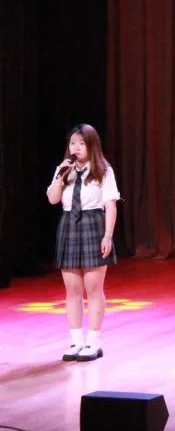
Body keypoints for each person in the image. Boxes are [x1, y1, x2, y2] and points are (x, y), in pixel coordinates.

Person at [45, 124, 120, 362]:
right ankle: (76, 341)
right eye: (72, 143)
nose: (75, 148)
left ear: (91, 145)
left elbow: (110, 205)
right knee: (72, 289)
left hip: (93, 224)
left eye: (81, 143)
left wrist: (107, 235)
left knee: (93, 288)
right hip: (69, 225)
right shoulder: (64, 170)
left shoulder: (103, 170)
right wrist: (60, 176)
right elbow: (53, 199)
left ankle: (93, 342)